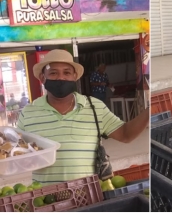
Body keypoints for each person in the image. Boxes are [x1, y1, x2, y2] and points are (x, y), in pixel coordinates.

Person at [17, 49, 149, 185]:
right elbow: (17, 150)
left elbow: (125, 134)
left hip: (89, 196)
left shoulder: (95, 107)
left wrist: (149, 111)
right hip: (44, 199)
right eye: (53, 73)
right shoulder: (28, 113)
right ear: (42, 78)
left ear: (75, 77)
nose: (61, 77)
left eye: (67, 72)